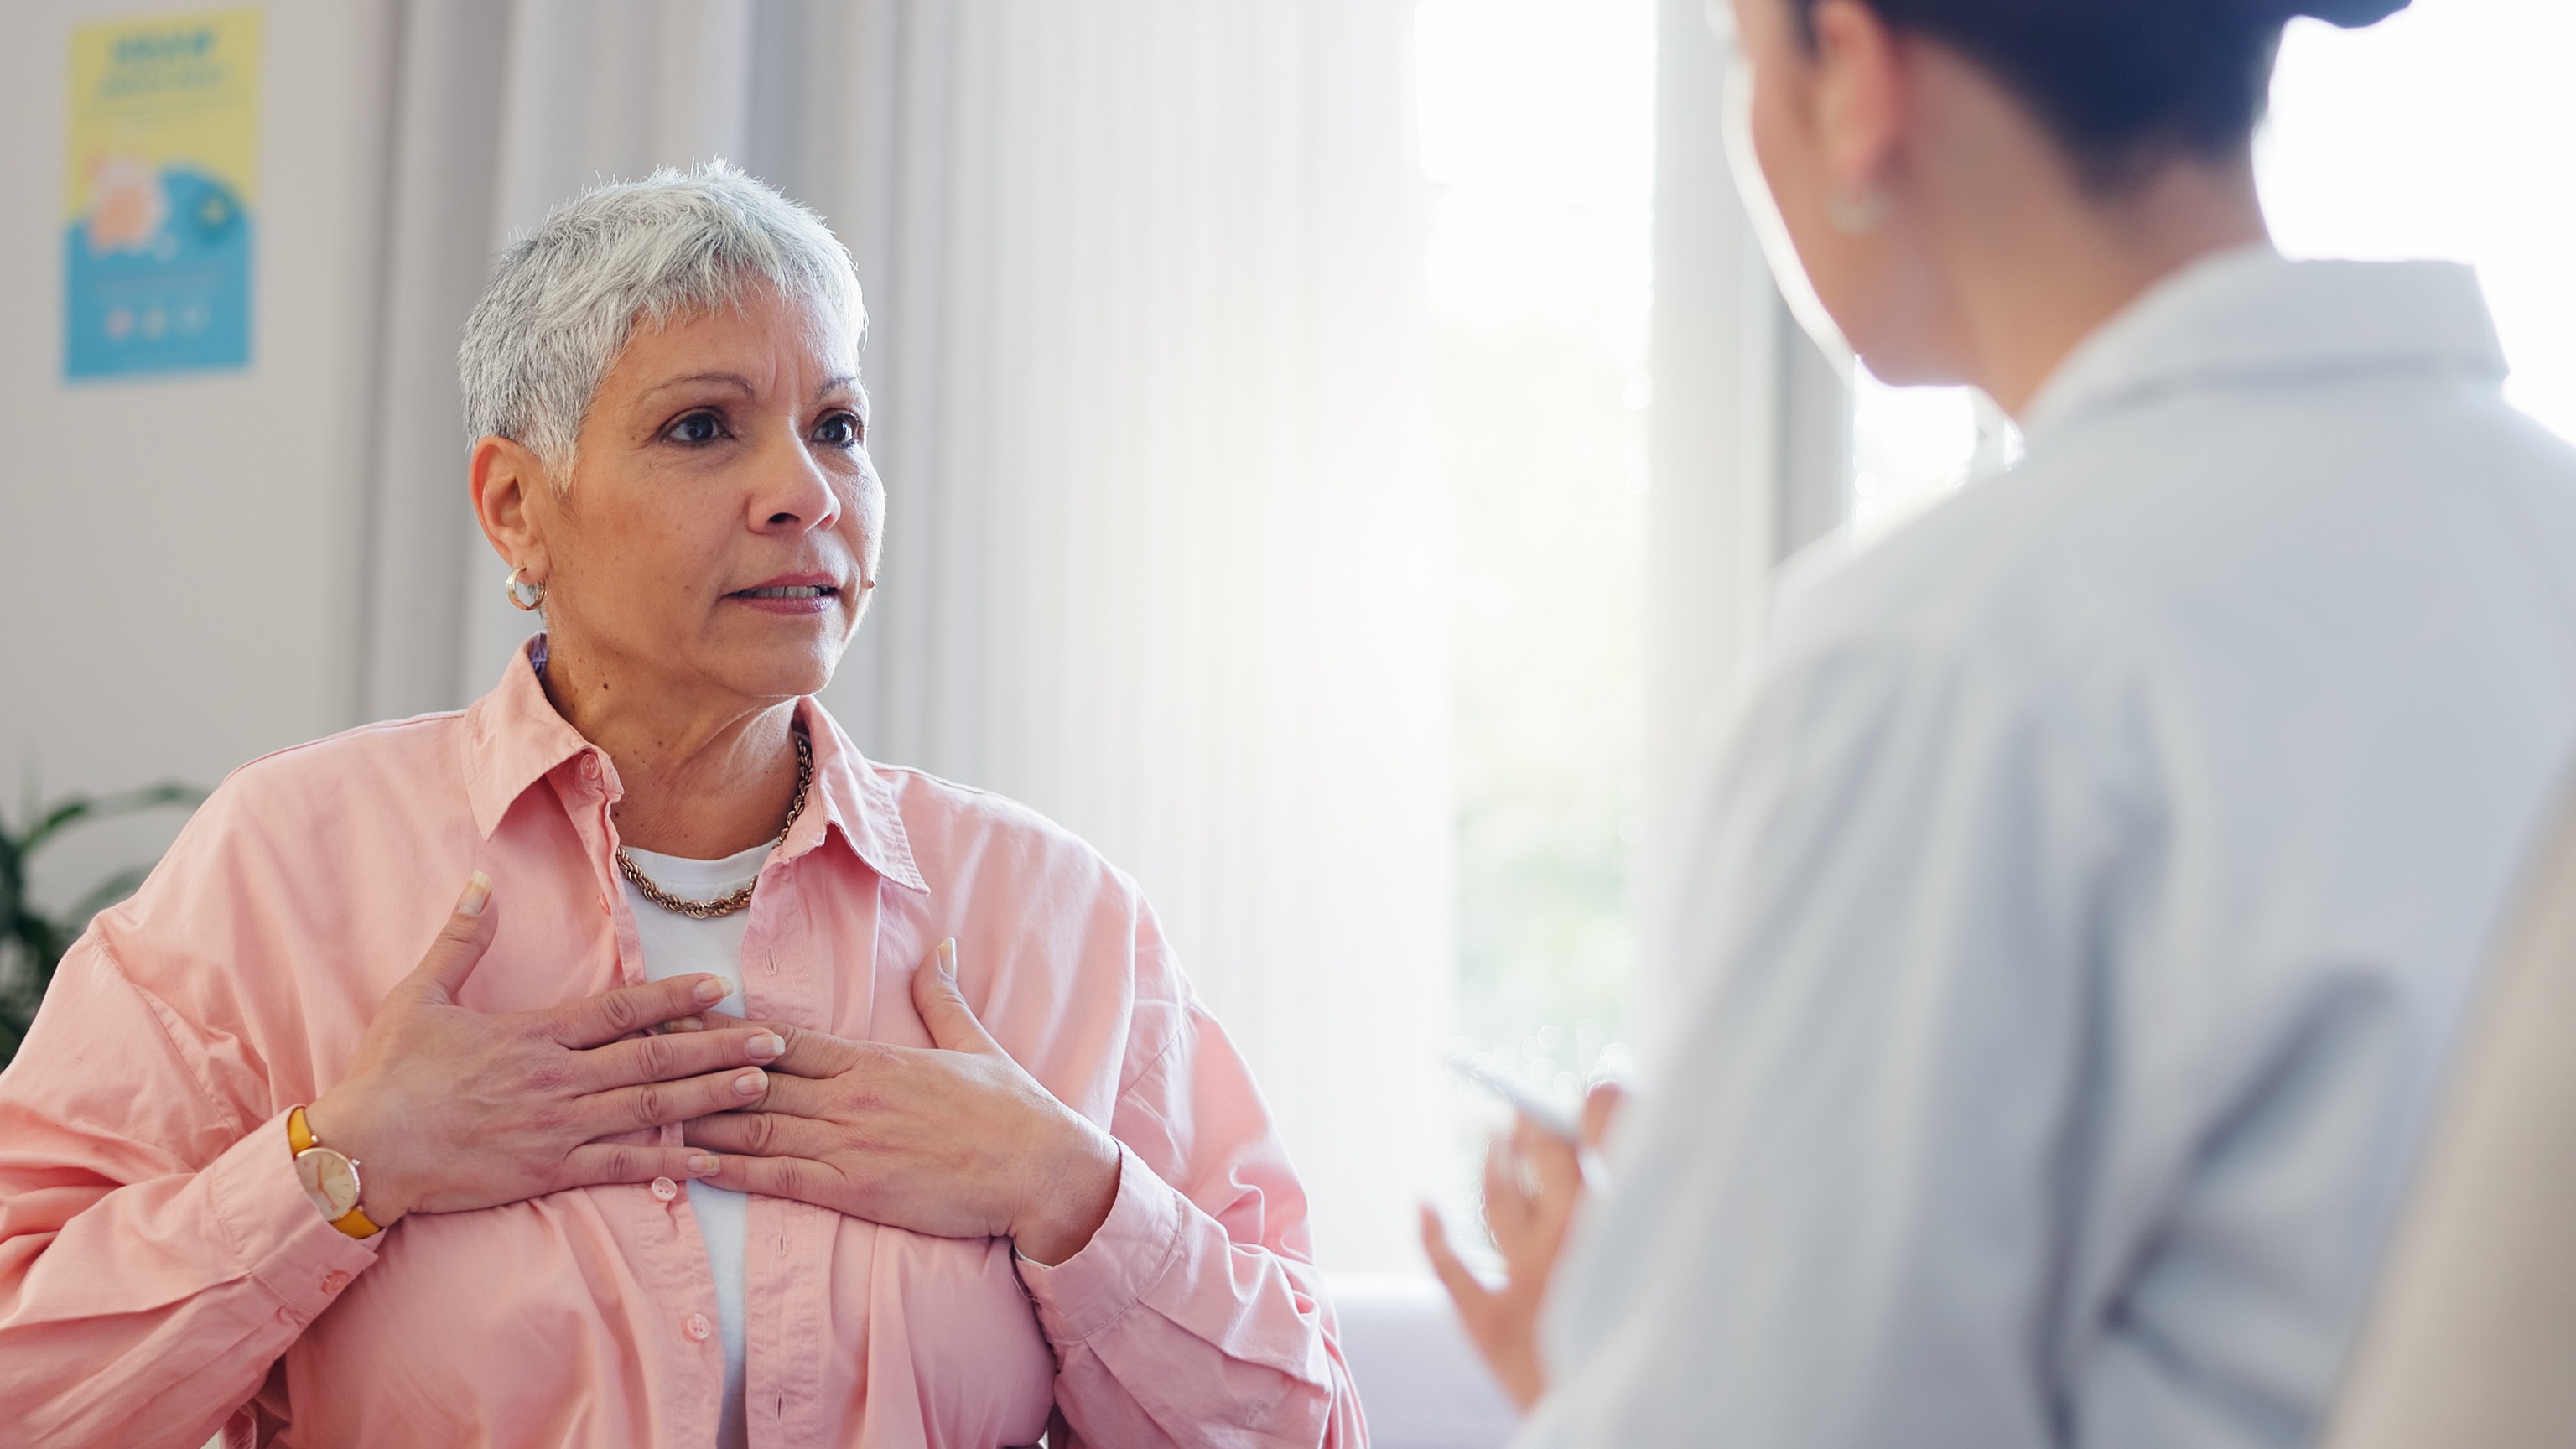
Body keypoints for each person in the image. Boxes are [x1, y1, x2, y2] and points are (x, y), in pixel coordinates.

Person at [0, 163, 1362, 1449]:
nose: (806, 491)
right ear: (519, 508)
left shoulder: (1052, 913)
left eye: (838, 427)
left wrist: (1066, 1192)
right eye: (703, 427)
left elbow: (1309, 1422)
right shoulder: (288, 865)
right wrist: (345, 1164)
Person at [1425, 0, 2576, 1445]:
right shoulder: (2538, 528)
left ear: (1850, 67)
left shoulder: (1947, 666)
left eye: (1740, 55)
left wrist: (1607, 1376)